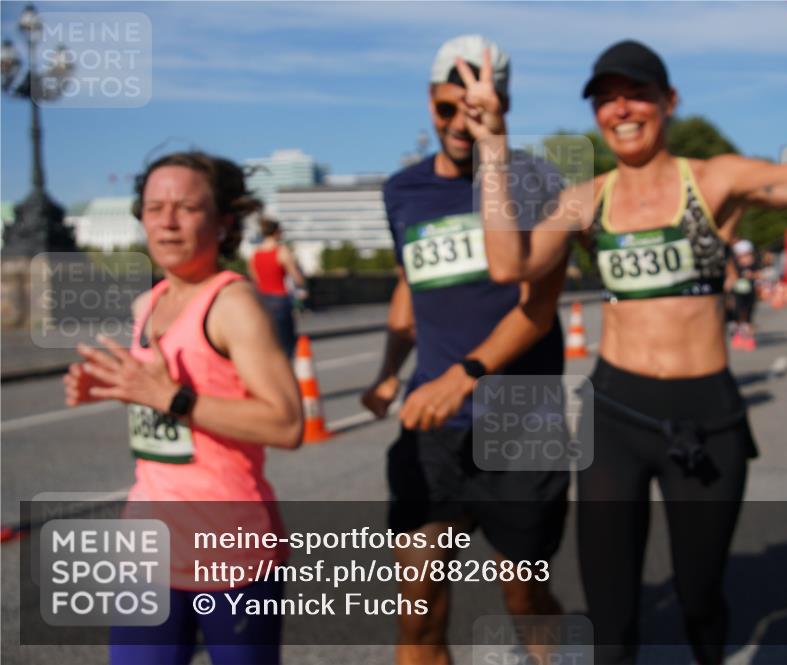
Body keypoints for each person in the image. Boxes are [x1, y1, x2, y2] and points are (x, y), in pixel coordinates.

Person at [463, 1, 787, 661]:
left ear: (669, 100)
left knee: (699, 598)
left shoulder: (715, 180)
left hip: (705, 416)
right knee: (610, 612)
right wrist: (493, 144)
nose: (621, 109)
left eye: (636, 93)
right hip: (616, 415)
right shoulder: (586, 199)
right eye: (606, 99)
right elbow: (507, 265)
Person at [360, 35, 569, 665]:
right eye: (447, 108)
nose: (459, 123)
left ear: (503, 105)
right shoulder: (402, 191)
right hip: (435, 432)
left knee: (524, 597)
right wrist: (387, 371)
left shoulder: (540, 182)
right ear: (430, 103)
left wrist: (464, 375)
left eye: (476, 108)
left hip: (520, 426)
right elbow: (410, 284)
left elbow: (537, 309)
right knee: (417, 609)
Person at [64, 151, 304, 664]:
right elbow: (162, 407)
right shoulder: (147, 303)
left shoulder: (232, 305)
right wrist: (115, 385)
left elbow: (286, 424)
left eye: (187, 208)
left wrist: (171, 399)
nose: (167, 221)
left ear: (223, 223)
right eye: (154, 208)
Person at [249, 218, 306, 358]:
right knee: (286, 345)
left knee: (267, 342)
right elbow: (297, 278)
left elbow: (254, 280)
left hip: (262, 301)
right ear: (276, 232)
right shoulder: (282, 251)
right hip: (280, 300)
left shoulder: (255, 254)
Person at [729, 239, 758, 350]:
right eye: (742, 256)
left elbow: (761, 275)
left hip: (750, 294)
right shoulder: (734, 267)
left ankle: (749, 338)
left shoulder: (754, 265)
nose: (746, 258)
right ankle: (738, 336)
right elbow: (730, 279)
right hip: (737, 294)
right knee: (738, 314)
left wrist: (752, 275)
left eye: (748, 255)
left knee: (748, 317)